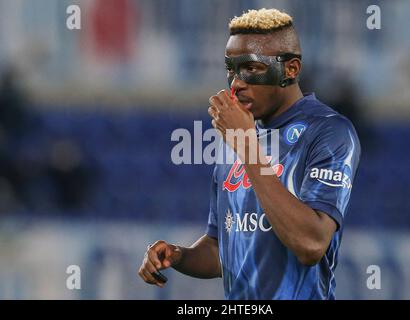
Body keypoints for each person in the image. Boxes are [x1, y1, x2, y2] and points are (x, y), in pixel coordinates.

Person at [139, 8, 361, 300]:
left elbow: (311, 245)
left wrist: (245, 145)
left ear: (290, 69)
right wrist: (179, 256)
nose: (236, 83)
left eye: (251, 68)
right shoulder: (237, 136)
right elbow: (222, 248)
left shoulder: (329, 132)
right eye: (231, 68)